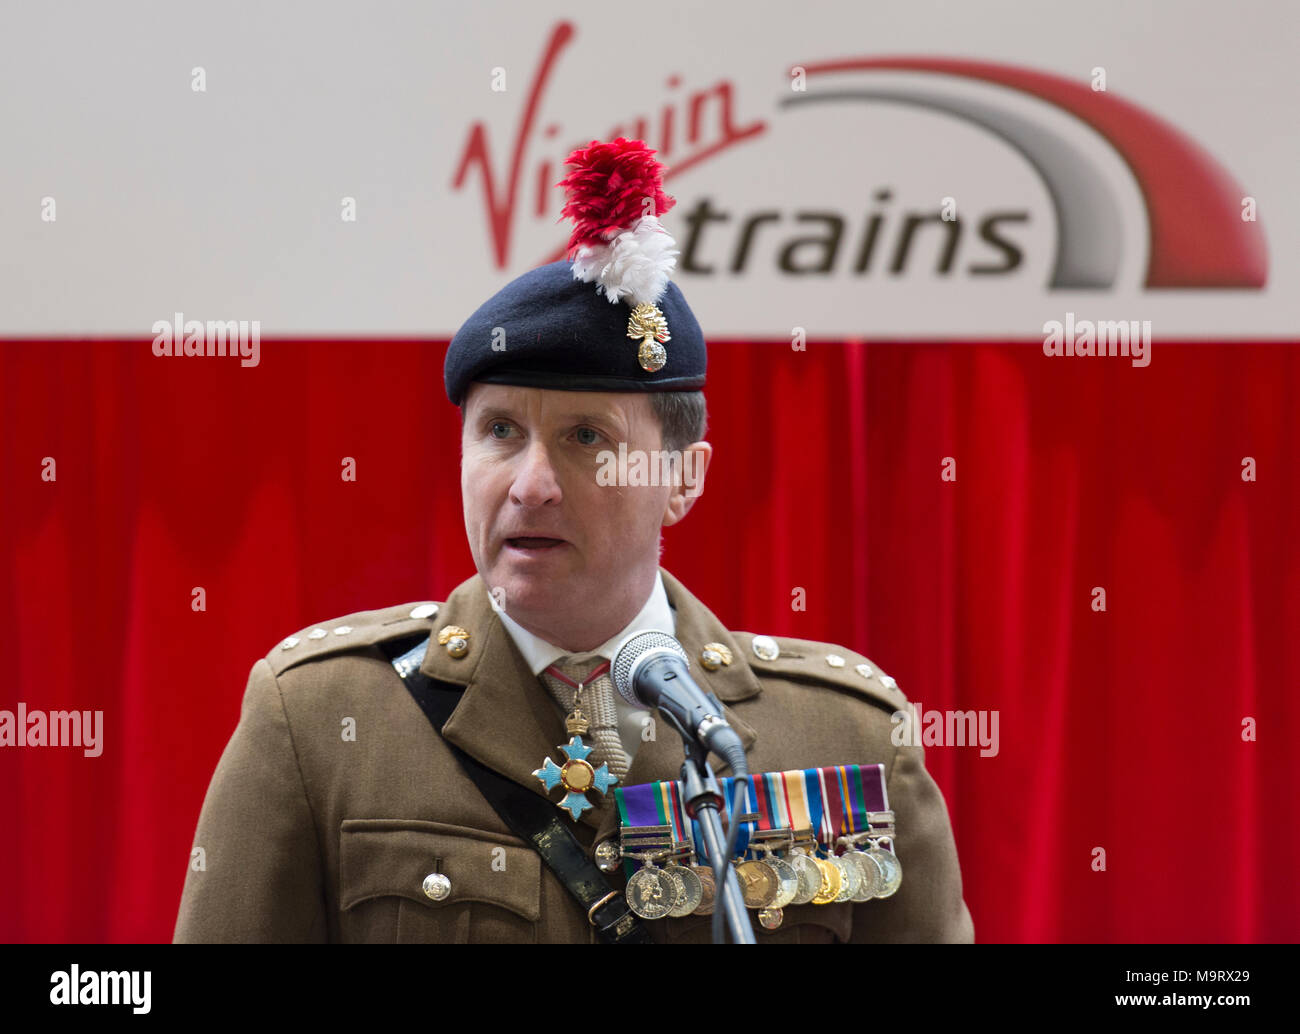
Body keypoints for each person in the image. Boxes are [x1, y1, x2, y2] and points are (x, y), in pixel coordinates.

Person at [173, 138, 974, 944]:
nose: (529, 485)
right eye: (499, 432)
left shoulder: (846, 733)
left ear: (684, 479)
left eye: (586, 437)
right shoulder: (321, 719)